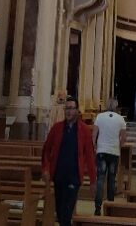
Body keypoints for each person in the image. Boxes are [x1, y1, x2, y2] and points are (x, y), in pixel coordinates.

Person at [41, 96, 95, 226]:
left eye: (72, 108)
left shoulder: (84, 130)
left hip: (74, 176)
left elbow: (90, 156)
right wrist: (45, 168)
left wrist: (93, 180)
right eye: (67, 108)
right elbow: (46, 150)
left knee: (67, 211)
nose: (69, 111)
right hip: (58, 175)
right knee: (60, 212)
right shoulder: (57, 128)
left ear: (77, 111)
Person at [91, 98, 127, 216]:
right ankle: (110, 207)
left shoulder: (100, 117)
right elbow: (123, 138)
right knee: (111, 180)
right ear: (116, 106)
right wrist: (118, 147)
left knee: (100, 179)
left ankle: (97, 207)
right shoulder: (121, 119)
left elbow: (94, 134)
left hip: (101, 151)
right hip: (114, 152)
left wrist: (95, 146)